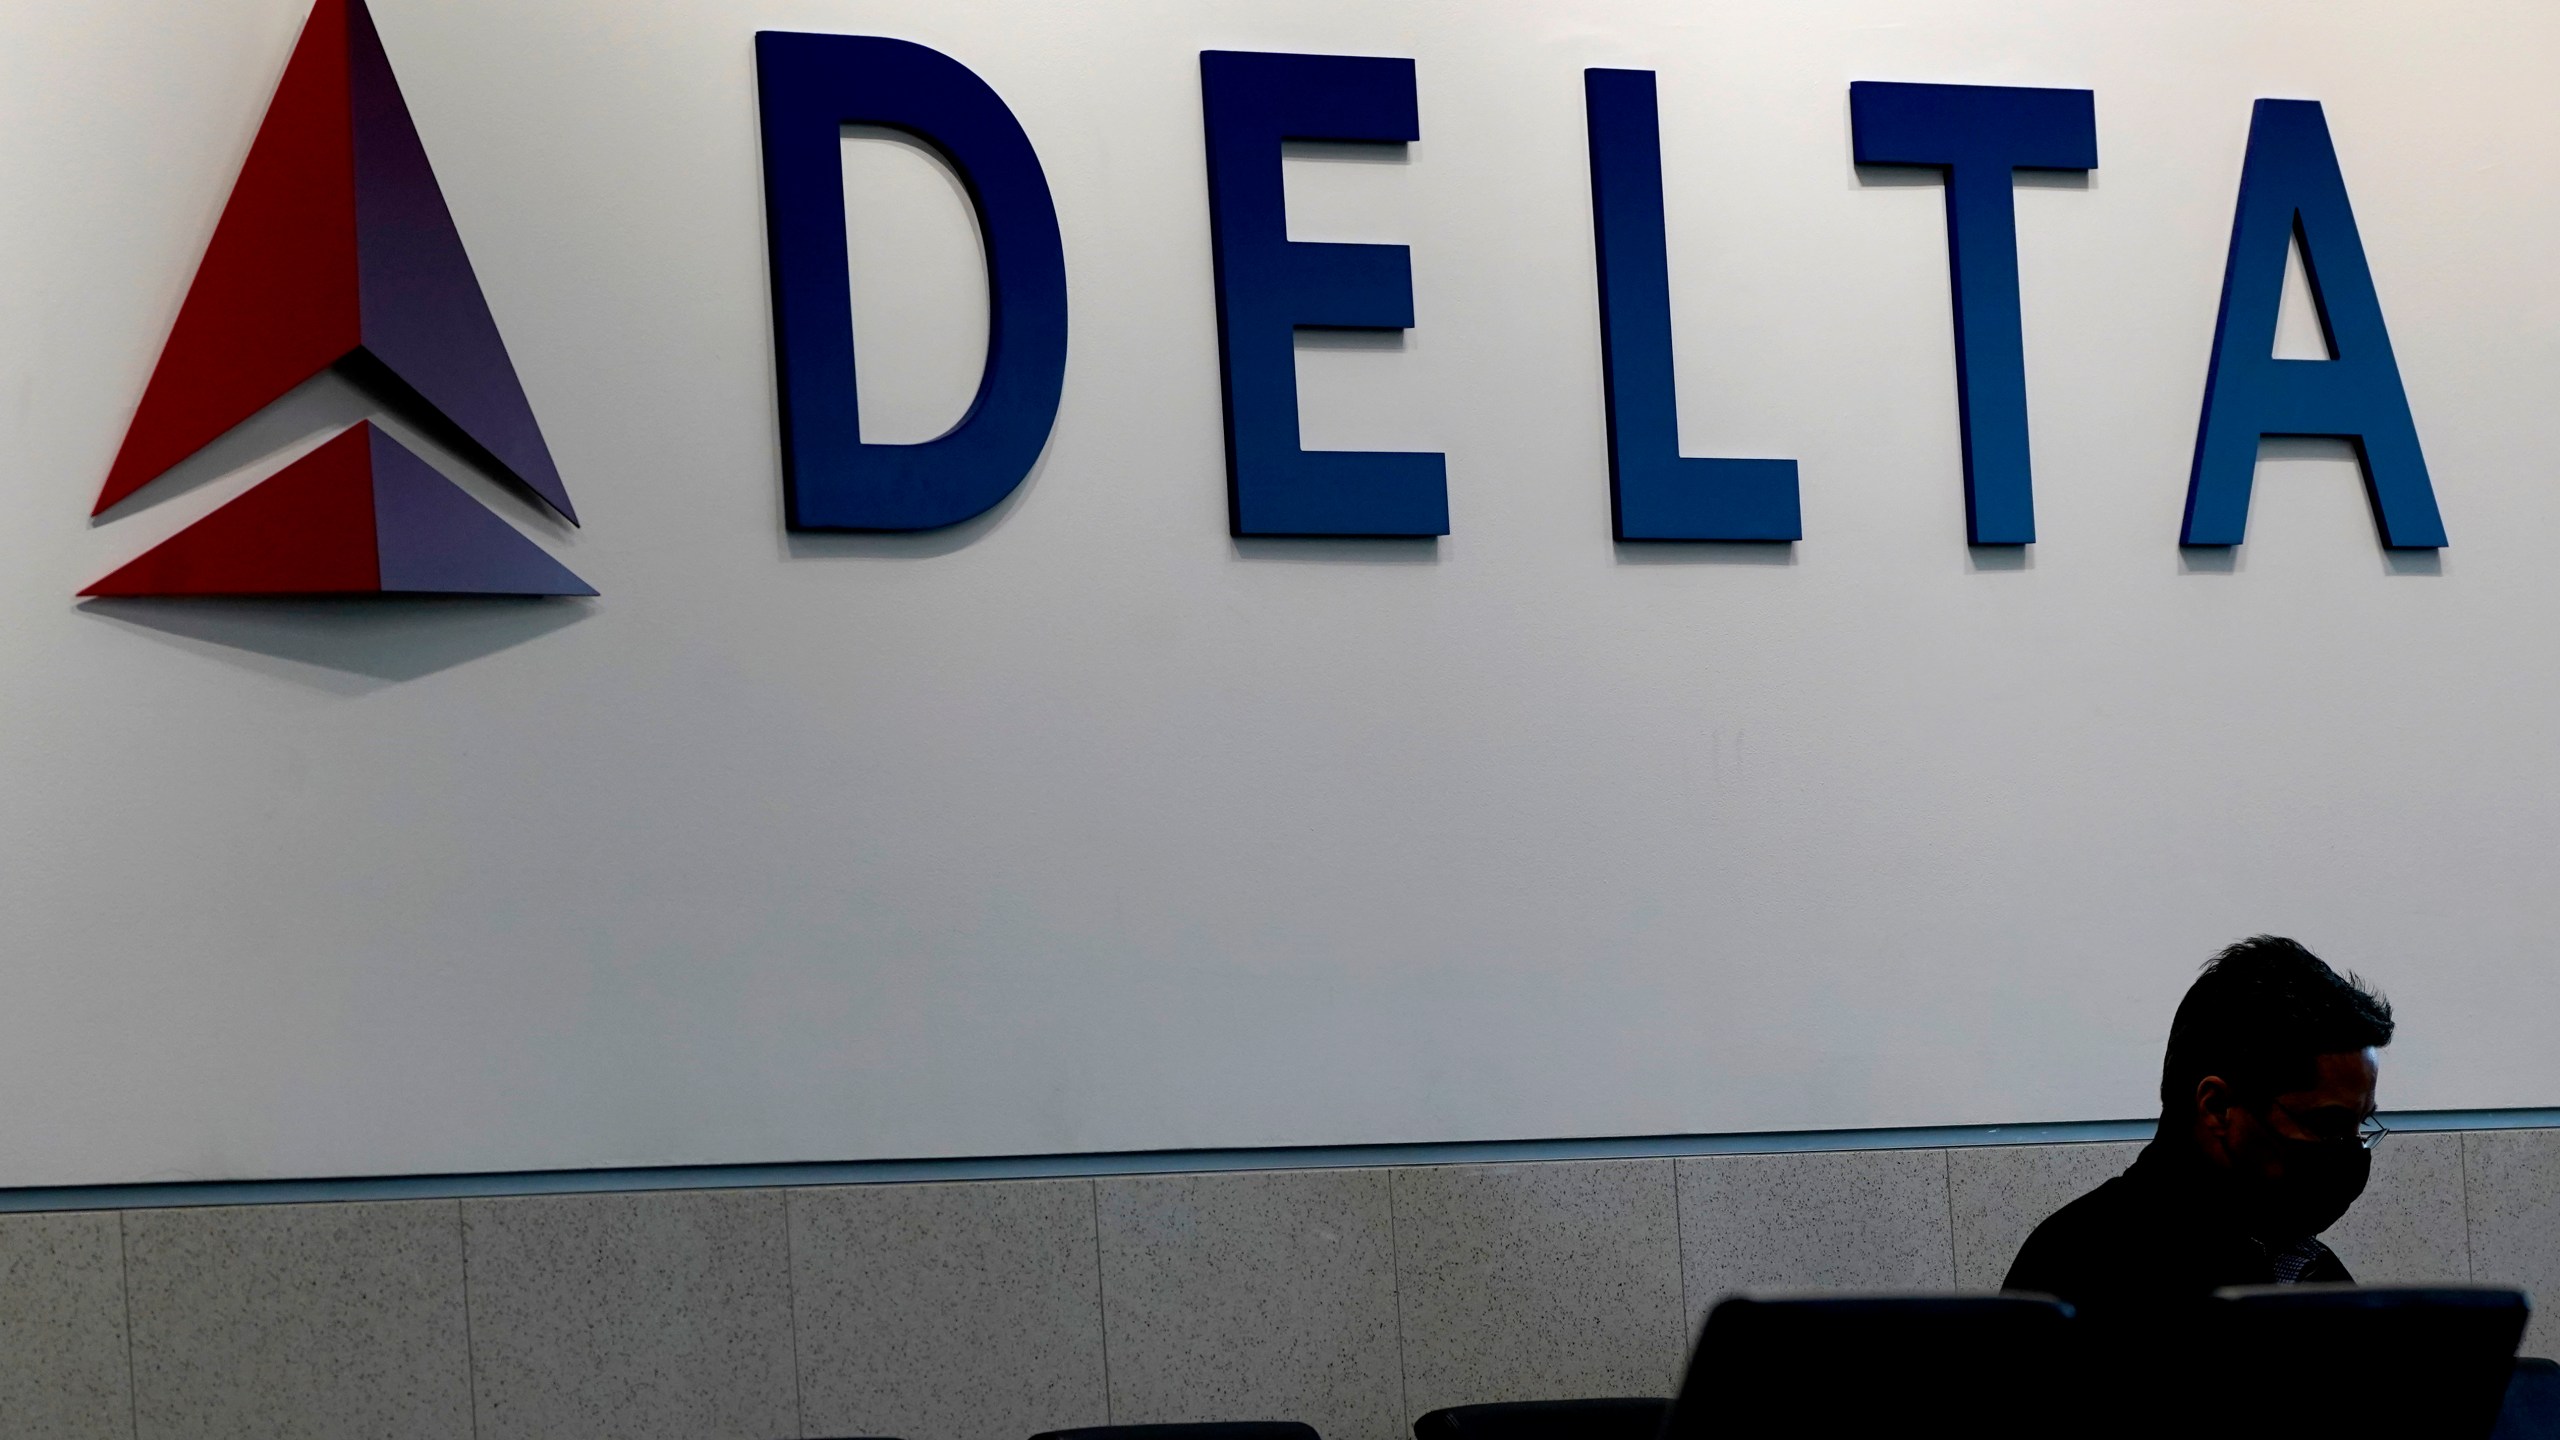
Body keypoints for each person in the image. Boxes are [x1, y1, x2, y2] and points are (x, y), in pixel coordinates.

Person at [2003, 934, 2393, 1316]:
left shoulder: (2305, 1268)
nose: (2348, 1150)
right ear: (2218, 1107)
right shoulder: (2079, 1271)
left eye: (2361, 1125)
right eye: (2328, 1124)